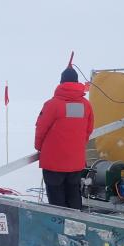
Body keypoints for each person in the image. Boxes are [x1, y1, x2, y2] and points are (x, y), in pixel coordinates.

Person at [34, 65, 94, 209]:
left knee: (56, 199)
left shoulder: (52, 105)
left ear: (61, 83)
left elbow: (41, 129)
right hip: (75, 161)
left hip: (53, 161)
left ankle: (58, 227)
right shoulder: (86, 105)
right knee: (73, 194)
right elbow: (88, 130)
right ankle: (76, 225)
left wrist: (39, 147)